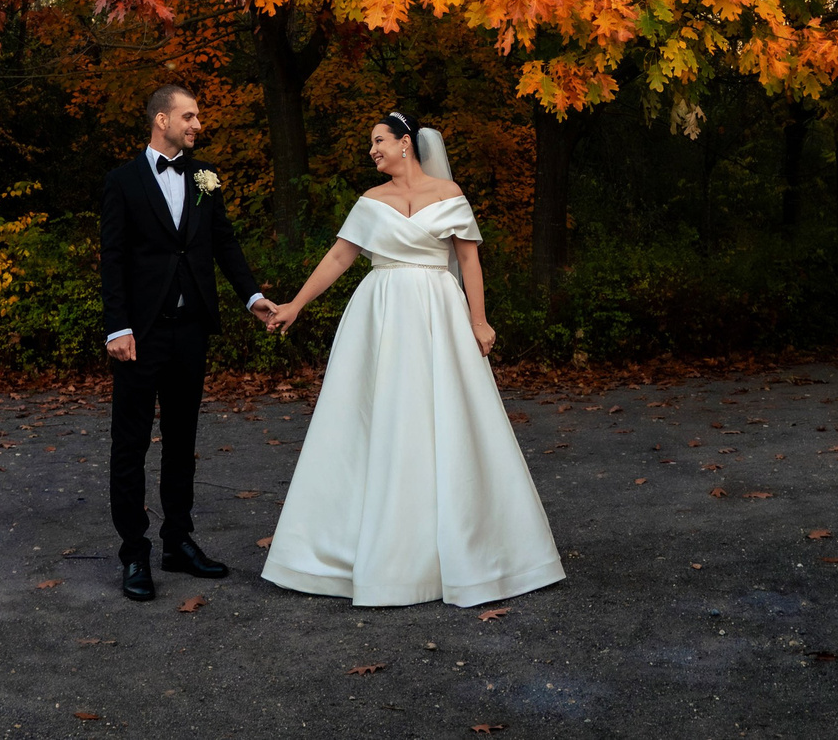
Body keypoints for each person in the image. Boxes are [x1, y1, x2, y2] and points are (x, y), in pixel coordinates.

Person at [258, 111, 565, 607]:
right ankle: (356, 547)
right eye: (370, 143)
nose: (372, 150)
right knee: (376, 419)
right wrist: (295, 304)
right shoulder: (369, 202)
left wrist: (479, 320)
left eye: (378, 140)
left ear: (406, 143)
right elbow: (339, 257)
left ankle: (468, 549)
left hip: (438, 311)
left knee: (446, 418)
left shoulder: (449, 195)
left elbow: (468, 260)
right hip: (380, 314)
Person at [98, 83, 279, 602]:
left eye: (197, 116)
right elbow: (113, 258)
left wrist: (253, 297)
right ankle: (135, 553)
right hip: (140, 335)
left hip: (191, 330)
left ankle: (178, 542)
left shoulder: (206, 180)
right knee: (130, 446)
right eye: (190, 115)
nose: (198, 124)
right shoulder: (123, 182)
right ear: (162, 120)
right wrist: (118, 326)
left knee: (182, 442)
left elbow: (223, 243)